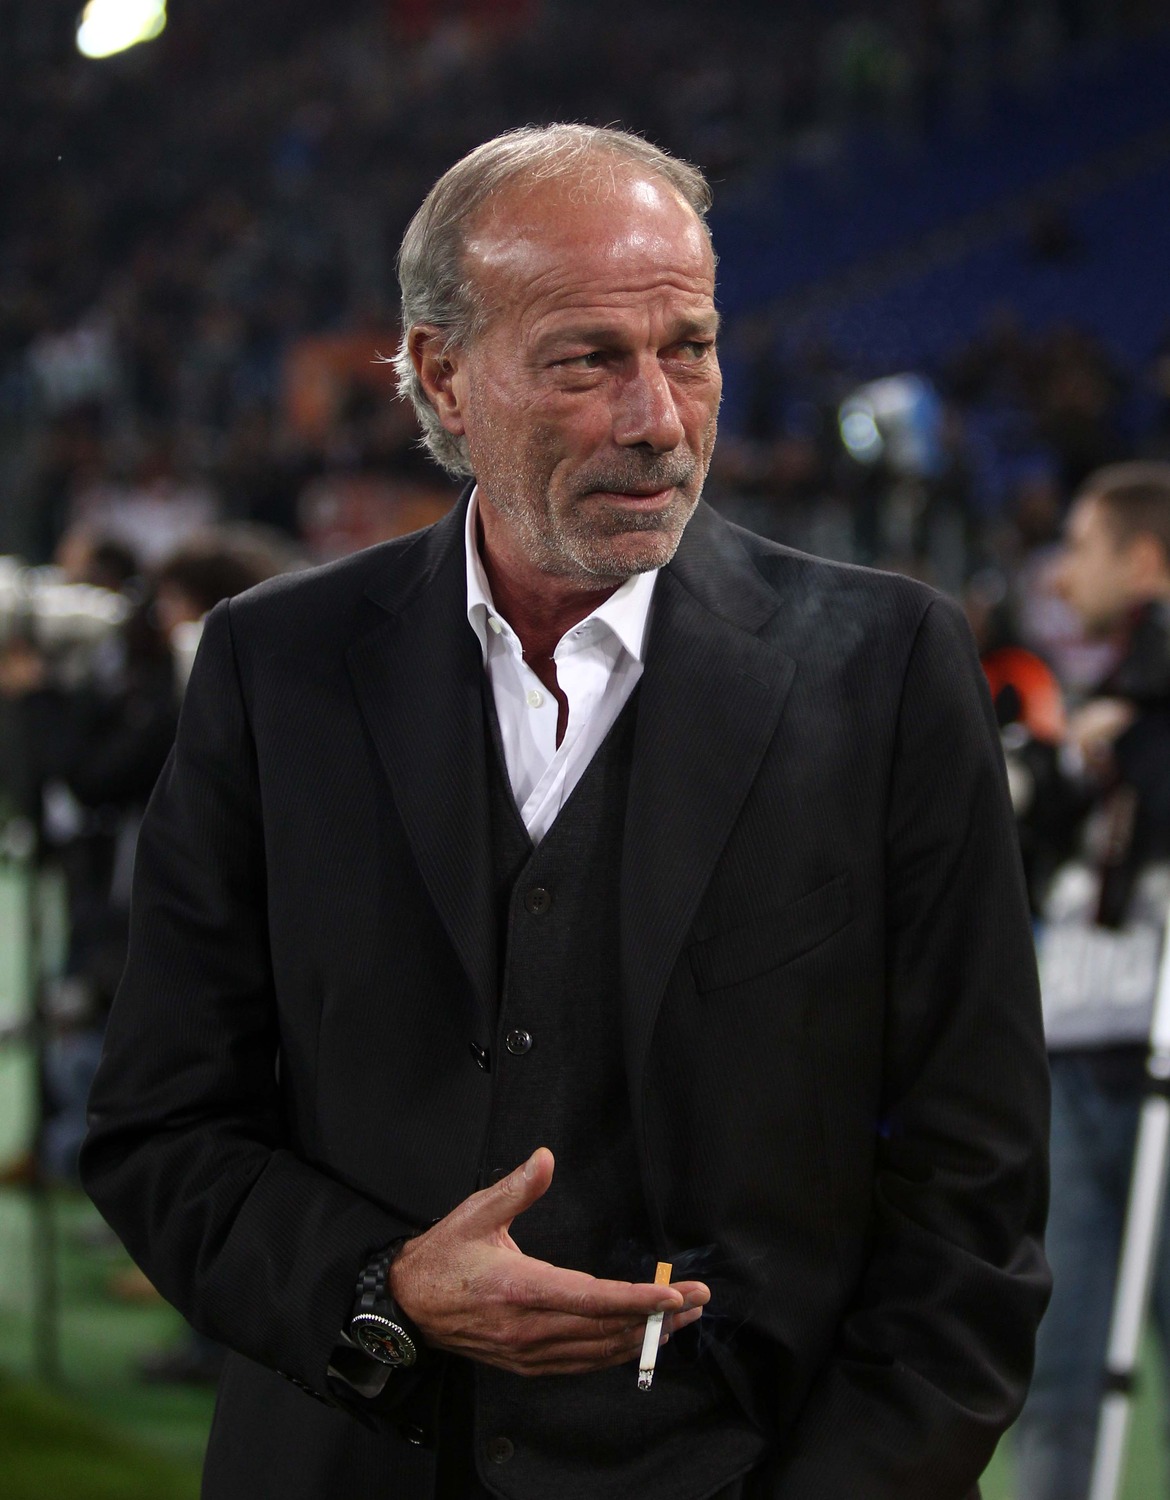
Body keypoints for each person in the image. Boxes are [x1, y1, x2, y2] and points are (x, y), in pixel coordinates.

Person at [81, 125, 1049, 1500]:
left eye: (689, 350)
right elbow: (161, 1128)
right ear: (442, 375)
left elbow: (972, 1196)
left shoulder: (888, 670)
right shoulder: (274, 665)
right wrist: (385, 1288)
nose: (658, 419)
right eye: (587, 361)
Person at [1013, 462, 1170, 1500]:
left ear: (1145, 560)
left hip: (1159, 1050)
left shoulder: (1143, 706)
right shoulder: (1102, 704)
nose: (1063, 577)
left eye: (1083, 548)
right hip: (1071, 1047)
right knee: (1060, 1363)